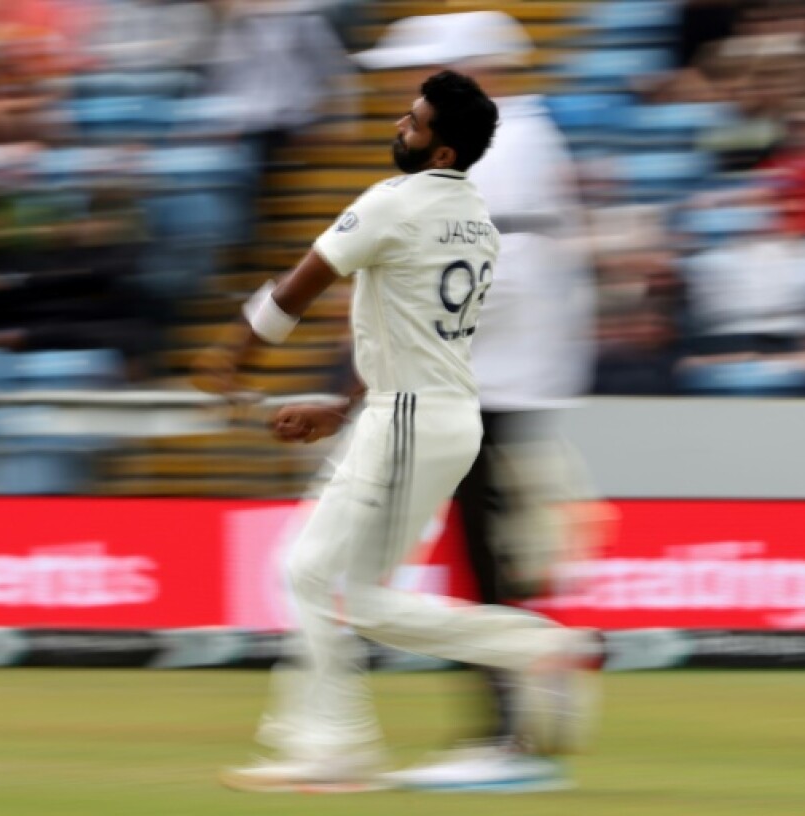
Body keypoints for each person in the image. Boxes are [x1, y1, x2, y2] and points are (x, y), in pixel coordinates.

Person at [194, 69, 598, 793]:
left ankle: (336, 748)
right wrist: (343, 408)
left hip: (407, 417)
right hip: (436, 414)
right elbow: (409, 334)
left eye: (412, 124)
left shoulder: (393, 203)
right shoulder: (477, 218)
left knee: (306, 571)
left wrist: (228, 361)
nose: (398, 129)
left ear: (442, 151)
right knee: (365, 599)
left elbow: (292, 294)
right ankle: (538, 645)